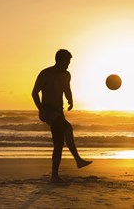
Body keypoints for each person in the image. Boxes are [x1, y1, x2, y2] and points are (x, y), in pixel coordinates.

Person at [32, 49, 92, 183]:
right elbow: (34, 93)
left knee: (58, 144)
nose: (67, 66)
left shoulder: (66, 75)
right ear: (58, 61)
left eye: (69, 63)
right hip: (47, 110)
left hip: (58, 111)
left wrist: (70, 100)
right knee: (67, 127)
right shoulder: (45, 73)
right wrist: (41, 110)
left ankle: (54, 176)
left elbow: (66, 89)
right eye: (66, 63)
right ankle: (78, 160)